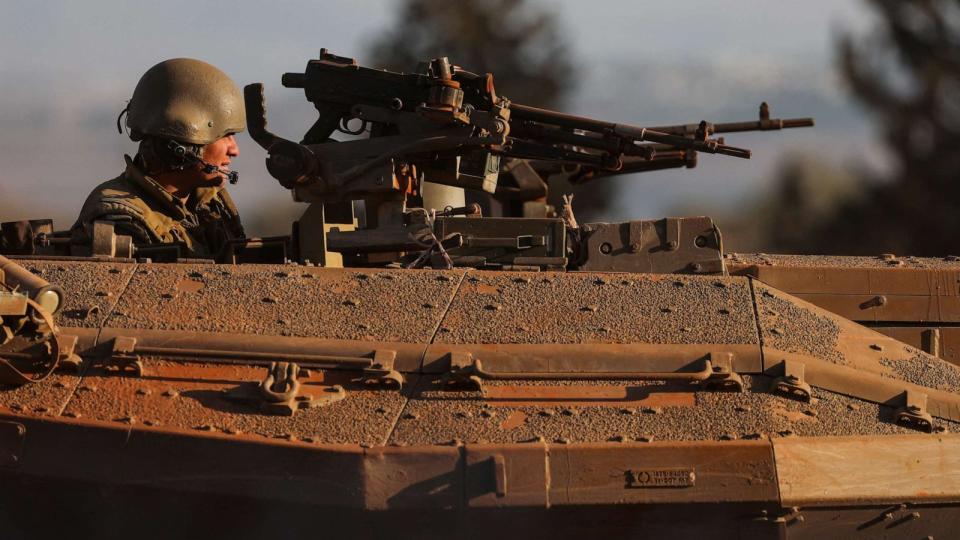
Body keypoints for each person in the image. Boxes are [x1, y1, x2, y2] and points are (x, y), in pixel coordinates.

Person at [72, 58, 246, 259]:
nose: (235, 150)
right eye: (224, 136)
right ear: (183, 144)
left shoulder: (210, 205)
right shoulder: (120, 222)